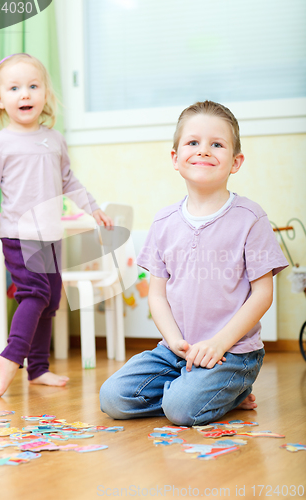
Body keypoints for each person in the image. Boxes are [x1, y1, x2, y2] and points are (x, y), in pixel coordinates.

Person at [100, 100, 289, 426]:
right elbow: (157, 295)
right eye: (193, 143)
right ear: (175, 158)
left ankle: (229, 387)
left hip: (233, 352)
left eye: (217, 144)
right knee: (113, 397)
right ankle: (206, 389)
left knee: (180, 409)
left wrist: (219, 343)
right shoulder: (164, 222)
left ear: (235, 161)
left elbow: (262, 294)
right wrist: (175, 341)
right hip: (177, 352)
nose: (203, 150)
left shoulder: (251, 218)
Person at [0, 53, 113, 398]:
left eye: (33, 86)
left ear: (45, 93)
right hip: (19, 235)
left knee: (50, 300)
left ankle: (37, 369)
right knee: (33, 294)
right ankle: (11, 357)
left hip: (51, 235)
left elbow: (69, 181)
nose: (25, 94)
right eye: (15, 88)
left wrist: (93, 208)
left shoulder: (53, 139)